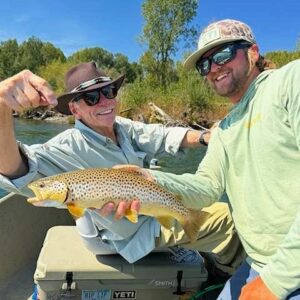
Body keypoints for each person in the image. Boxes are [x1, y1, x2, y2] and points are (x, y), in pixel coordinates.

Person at [0, 62, 244, 276]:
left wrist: (205, 137)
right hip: (123, 237)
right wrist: (2, 107)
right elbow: (16, 169)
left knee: (211, 203)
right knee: (229, 216)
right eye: (92, 98)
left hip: (146, 212)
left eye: (108, 91)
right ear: (75, 109)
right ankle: (221, 272)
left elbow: (161, 135)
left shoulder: (123, 127)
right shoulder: (64, 146)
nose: (105, 101)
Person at [113, 19, 300, 299]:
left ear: (253, 52)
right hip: (258, 266)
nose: (213, 69)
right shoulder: (224, 129)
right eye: (205, 64)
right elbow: (206, 187)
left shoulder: (290, 81)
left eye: (222, 54)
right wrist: (152, 180)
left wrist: (276, 281)